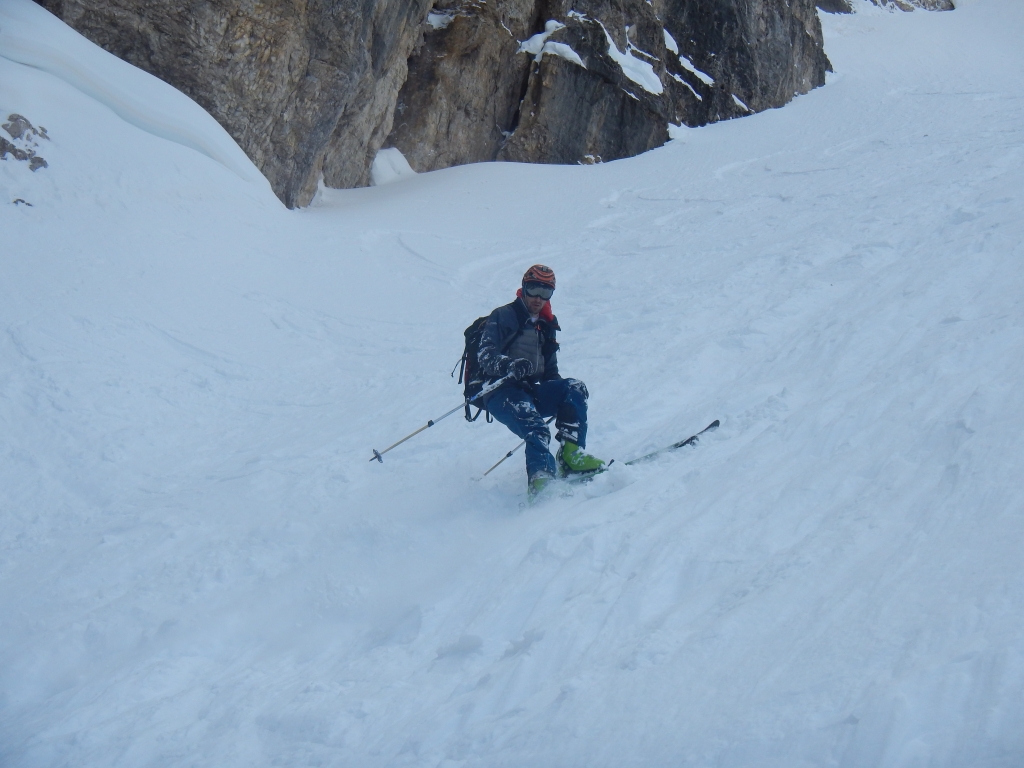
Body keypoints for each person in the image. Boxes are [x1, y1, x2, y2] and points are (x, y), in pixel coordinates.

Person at [478, 264, 605, 497]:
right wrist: (510, 365)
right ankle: (541, 480)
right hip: (501, 392)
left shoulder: (546, 324)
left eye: (546, 292)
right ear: (524, 288)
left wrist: (563, 402)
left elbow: (550, 373)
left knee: (573, 388)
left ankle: (570, 456)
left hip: (530, 391)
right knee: (536, 428)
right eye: (534, 290)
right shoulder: (503, 315)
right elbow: (486, 355)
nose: (538, 298)